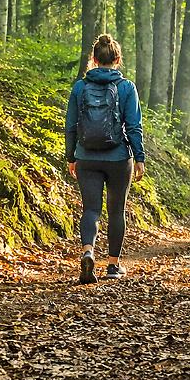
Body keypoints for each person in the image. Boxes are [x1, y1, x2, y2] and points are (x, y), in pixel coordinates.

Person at [65, 34, 146, 284]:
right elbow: (134, 126)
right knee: (116, 210)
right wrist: (139, 157)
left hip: (87, 157)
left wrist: (71, 156)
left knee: (91, 209)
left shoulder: (80, 87)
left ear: (93, 59)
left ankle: (88, 251)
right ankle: (113, 265)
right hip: (119, 158)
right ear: (117, 59)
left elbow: (70, 126)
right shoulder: (126, 87)